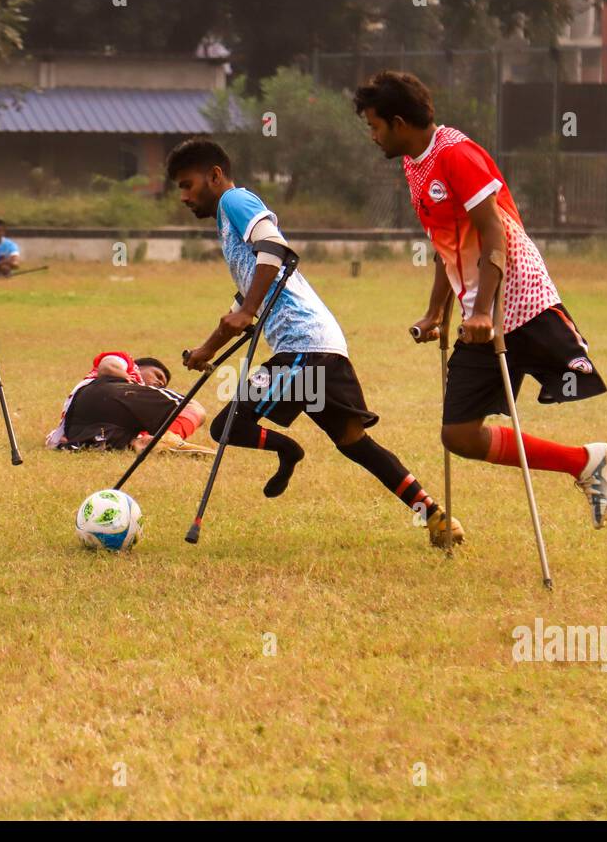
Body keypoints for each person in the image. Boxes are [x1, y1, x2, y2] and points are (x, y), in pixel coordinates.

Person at [168, 137, 464, 547]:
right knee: (353, 443)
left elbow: (276, 249)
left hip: (304, 347)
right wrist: (208, 349)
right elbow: (247, 293)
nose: (184, 196)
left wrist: (248, 311)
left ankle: (288, 449)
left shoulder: (235, 202)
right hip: (322, 345)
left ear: (214, 175)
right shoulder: (227, 223)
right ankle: (433, 515)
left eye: (187, 184)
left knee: (227, 425)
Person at [352, 70, 607, 528]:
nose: (372, 136)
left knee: (567, 378)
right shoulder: (414, 163)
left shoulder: (457, 154)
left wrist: (478, 311)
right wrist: (437, 311)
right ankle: (583, 461)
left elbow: (493, 231)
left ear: (398, 121)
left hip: (520, 300)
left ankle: (584, 458)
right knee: (458, 434)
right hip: (480, 306)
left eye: (375, 126)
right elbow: (445, 242)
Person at [46, 351, 208, 452]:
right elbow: (107, 367)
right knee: (192, 407)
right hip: (102, 391)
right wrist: (128, 379)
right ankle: (168, 440)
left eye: (163, 384)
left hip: (80, 431)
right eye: (157, 376)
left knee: (134, 441)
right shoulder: (127, 363)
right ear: (139, 366)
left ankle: (149, 443)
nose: (160, 384)